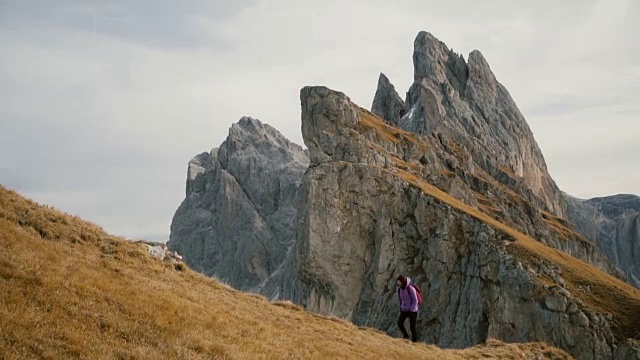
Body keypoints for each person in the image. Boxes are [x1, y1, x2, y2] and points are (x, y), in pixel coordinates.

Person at [396, 275, 418, 342]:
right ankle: (406, 337)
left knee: (412, 327)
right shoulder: (400, 289)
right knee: (399, 323)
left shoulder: (410, 288)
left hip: (412, 311)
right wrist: (401, 307)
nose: (398, 285)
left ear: (403, 282)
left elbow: (415, 300)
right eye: (397, 283)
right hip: (404, 310)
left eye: (399, 283)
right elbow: (401, 300)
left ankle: (415, 342)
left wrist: (411, 310)